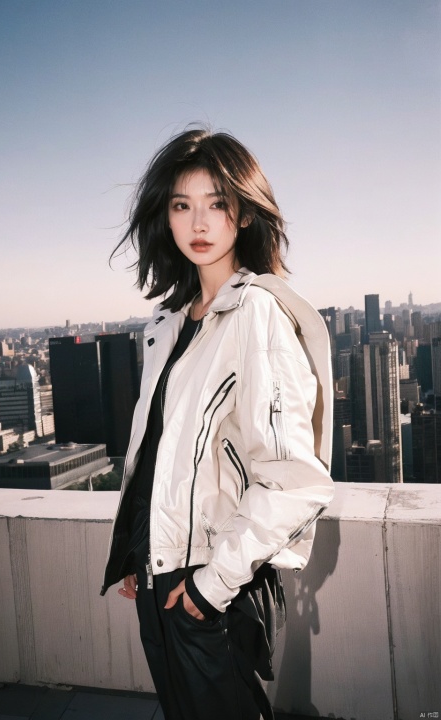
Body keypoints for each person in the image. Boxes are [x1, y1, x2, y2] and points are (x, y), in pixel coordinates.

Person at [100, 127, 334, 720]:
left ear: (246, 215)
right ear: (166, 217)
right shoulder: (171, 324)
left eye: (217, 204)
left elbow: (293, 481)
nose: (198, 222)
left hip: (217, 586)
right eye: (183, 205)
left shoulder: (255, 312)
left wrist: (211, 585)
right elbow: (162, 452)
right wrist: (140, 551)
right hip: (164, 579)